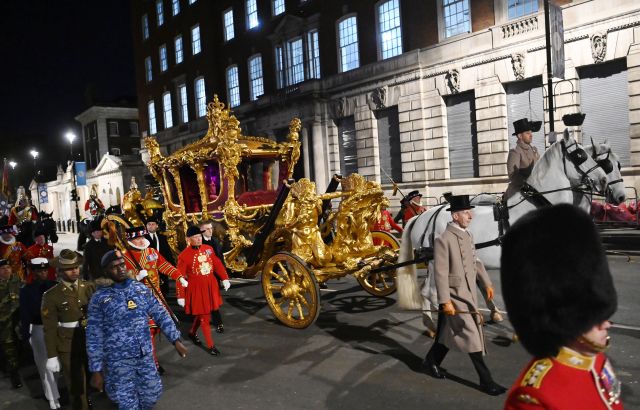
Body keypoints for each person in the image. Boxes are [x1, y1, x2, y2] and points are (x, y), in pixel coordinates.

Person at [501, 204, 622, 409]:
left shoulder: (596, 359)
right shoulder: (533, 398)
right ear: (561, 316)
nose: (606, 323)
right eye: (592, 317)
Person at [422, 195, 506, 396]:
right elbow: (440, 273)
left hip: (469, 293)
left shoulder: (467, 235)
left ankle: (431, 362)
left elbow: (476, 261)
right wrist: (445, 301)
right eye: (467, 213)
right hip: (455, 295)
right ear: (456, 215)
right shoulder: (444, 240)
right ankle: (486, 381)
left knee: (445, 334)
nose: (471, 216)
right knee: (471, 334)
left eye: (471, 212)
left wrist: (486, 283)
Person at [87, 250, 188, 410]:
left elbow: (160, 313)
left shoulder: (139, 289)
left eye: (121, 265)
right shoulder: (100, 299)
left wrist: (175, 340)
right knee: (128, 403)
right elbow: (94, 335)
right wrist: (96, 369)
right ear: (106, 271)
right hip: (119, 361)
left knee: (152, 395)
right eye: (114, 267)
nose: (120, 269)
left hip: (144, 355)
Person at [123, 226, 187, 373]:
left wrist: (179, 276)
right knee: (148, 333)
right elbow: (121, 282)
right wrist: (136, 278)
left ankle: (152, 360)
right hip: (138, 301)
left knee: (159, 328)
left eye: (141, 238)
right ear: (130, 240)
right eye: (136, 239)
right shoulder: (125, 257)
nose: (140, 241)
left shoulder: (152, 252)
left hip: (156, 296)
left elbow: (164, 266)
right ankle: (153, 363)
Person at [42, 249, 95, 410]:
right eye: (70, 268)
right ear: (60, 271)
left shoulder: (88, 287)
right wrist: (51, 356)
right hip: (69, 345)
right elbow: (49, 328)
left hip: (89, 341)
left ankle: (87, 401)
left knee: (91, 379)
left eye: (77, 267)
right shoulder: (51, 295)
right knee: (77, 386)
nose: (75, 271)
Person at [177, 225, 230, 356]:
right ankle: (211, 345)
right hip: (196, 289)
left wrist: (225, 278)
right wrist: (181, 296)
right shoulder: (184, 256)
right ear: (189, 239)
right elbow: (179, 276)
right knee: (205, 317)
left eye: (200, 236)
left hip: (210, 286)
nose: (199, 239)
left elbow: (217, 264)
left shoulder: (208, 249)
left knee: (202, 314)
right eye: (195, 237)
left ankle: (191, 333)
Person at [20, 258, 60, 409]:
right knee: (44, 365)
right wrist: (25, 335)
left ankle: (53, 391)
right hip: (38, 328)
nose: (42, 273)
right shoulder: (26, 290)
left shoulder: (55, 286)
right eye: (39, 271)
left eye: (44, 270)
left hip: (55, 328)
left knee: (57, 366)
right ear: (33, 272)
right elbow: (25, 315)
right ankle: (52, 397)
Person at [199, 220, 226, 333]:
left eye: (211, 228)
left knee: (213, 299)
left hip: (216, 276)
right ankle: (218, 322)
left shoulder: (215, 241)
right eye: (208, 229)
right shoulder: (198, 244)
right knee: (210, 299)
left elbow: (220, 258)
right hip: (205, 276)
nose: (211, 231)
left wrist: (224, 276)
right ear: (202, 231)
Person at [0, 258, 22, 388]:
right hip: (3, 324)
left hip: (18, 321)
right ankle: (14, 374)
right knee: (8, 348)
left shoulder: (17, 280)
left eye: (8, 268)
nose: (6, 270)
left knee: (18, 346)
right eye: (3, 268)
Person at [505, 118, 540, 199]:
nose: (531, 135)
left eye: (531, 132)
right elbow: (513, 175)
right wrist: (529, 183)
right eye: (528, 133)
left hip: (535, 190)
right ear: (520, 136)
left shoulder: (534, 149)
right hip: (519, 194)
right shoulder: (515, 151)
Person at [144, 215, 175, 297]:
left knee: (163, 290)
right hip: (149, 268)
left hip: (162, 267)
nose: (151, 226)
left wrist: (172, 266)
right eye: (149, 224)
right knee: (151, 291)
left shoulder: (162, 238)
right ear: (146, 226)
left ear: (157, 226)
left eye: (153, 224)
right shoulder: (143, 239)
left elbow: (167, 252)